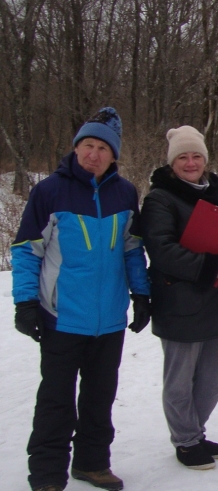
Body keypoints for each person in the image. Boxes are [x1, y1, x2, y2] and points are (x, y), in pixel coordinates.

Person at [12, 107, 151, 491]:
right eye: (88, 145)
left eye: (103, 148)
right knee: (56, 401)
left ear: (114, 155)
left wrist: (141, 294)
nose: (94, 154)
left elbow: (131, 250)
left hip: (109, 319)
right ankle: (47, 474)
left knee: (99, 398)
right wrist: (25, 302)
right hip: (62, 317)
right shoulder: (49, 192)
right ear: (76, 148)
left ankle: (92, 464)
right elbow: (26, 251)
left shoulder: (125, 193)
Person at [140, 126, 218, 470]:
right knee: (180, 379)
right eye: (183, 157)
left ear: (205, 160)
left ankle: (195, 431)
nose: (191, 162)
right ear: (172, 162)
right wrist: (215, 266)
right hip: (180, 302)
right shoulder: (160, 199)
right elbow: (162, 250)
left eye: (196, 156)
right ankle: (185, 439)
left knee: (214, 377)